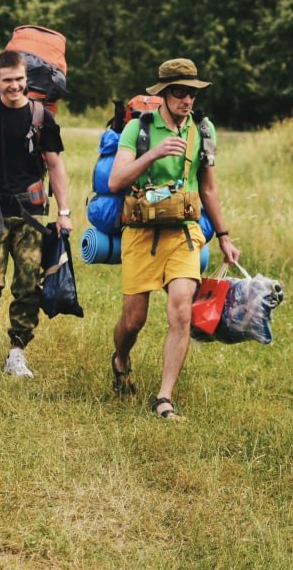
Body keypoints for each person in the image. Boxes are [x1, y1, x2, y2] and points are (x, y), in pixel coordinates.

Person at [107, 58, 239, 420]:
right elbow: (116, 181)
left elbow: (209, 189)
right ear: (164, 94)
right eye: (179, 93)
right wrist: (154, 154)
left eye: (191, 93)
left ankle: (164, 398)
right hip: (140, 234)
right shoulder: (140, 129)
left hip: (183, 232)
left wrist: (224, 236)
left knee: (181, 308)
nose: (187, 100)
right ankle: (120, 358)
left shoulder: (202, 131)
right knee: (133, 322)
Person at [0, 50, 72, 378]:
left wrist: (64, 211)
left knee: (28, 285)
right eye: (8, 81)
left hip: (31, 213)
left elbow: (55, 165)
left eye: (20, 80)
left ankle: (17, 351)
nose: (15, 86)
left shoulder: (41, 117)